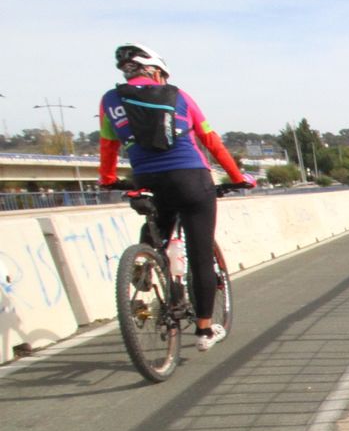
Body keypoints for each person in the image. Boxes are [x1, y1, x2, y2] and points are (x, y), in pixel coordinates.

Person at [98, 43, 254, 352]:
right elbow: (211, 140)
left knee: (157, 219)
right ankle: (205, 330)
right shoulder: (180, 96)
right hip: (190, 179)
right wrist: (238, 178)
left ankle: (147, 260)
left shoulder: (110, 100)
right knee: (199, 255)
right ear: (156, 72)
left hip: (146, 181)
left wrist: (108, 180)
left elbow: (108, 145)